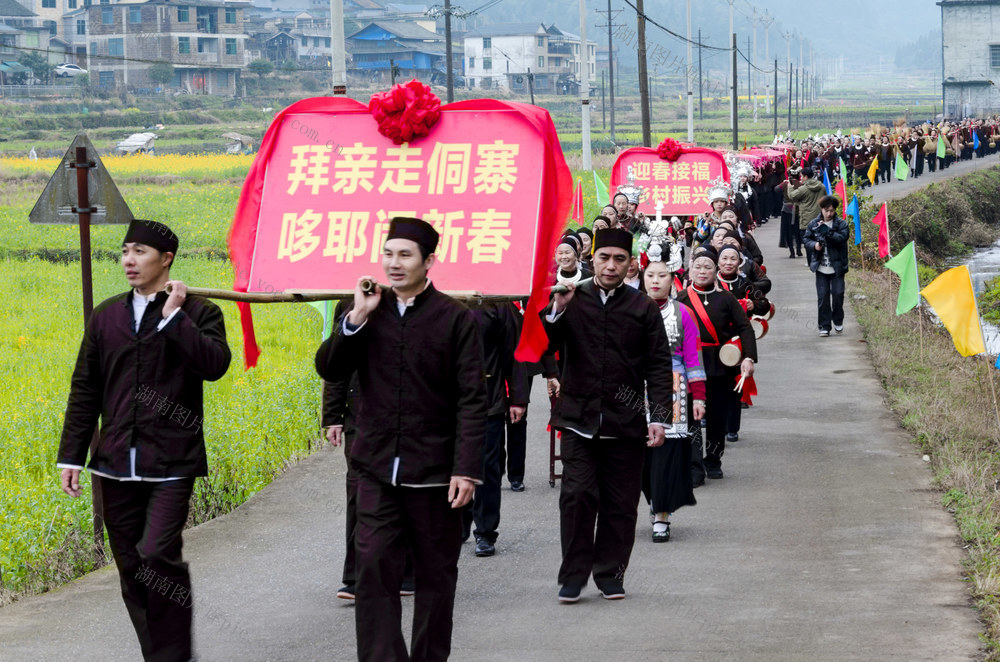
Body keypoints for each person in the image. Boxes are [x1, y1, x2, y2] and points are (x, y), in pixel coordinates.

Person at [57, 219, 231, 662]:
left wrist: (174, 317)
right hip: (114, 462)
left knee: (157, 555)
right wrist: (71, 456)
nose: (129, 261)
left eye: (140, 252)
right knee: (131, 567)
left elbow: (214, 365)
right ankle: (158, 655)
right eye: (125, 251)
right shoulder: (107, 315)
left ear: (166, 258)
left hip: (172, 461)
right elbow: (86, 388)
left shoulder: (199, 312)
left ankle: (172, 655)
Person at [315, 217, 486, 661]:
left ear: (429, 262)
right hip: (373, 467)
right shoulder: (365, 313)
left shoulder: (455, 319)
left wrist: (466, 469)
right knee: (371, 567)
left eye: (405, 255)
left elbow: (472, 399)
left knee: (435, 576)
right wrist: (355, 317)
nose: (393, 263)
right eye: (388, 253)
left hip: (433, 472)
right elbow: (330, 369)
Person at [542, 228, 673, 603]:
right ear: (592, 259)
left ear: (631, 263)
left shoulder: (642, 307)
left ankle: (611, 574)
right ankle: (573, 575)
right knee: (577, 496)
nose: (611, 265)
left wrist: (658, 417)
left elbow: (659, 364)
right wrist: (556, 311)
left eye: (619, 259)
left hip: (625, 423)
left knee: (620, 504)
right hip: (577, 419)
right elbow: (542, 346)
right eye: (604, 258)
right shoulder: (570, 298)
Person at [675, 248, 757, 481]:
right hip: (690, 365)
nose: (702, 271)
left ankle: (713, 460)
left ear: (716, 270)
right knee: (691, 416)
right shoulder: (680, 298)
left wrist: (748, 358)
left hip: (720, 364)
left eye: (708, 267)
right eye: (698, 267)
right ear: (691, 270)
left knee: (716, 416)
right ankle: (693, 466)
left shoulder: (726, 298)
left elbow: (744, 328)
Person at [640, 243, 704, 542]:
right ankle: (654, 499)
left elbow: (693, 357)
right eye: (650, 275)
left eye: (662, 275)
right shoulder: (629, 310)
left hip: (673, 388)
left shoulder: (684, 314)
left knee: (665, 452)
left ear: (673, 278)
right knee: (639, 455)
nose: (655, 281)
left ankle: (662, 514)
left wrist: (699, 395)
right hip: (634, 389)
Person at [463, 303, 529, 557]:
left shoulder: (497, 303)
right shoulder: (438, 297)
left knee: (487, 466)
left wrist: (518, 398)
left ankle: (486, 531)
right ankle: (458, 522)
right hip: (446, 401)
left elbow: (513, 351)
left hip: (487, 399)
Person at [803, 196, 850, 337]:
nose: (829, 213)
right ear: (821, 209)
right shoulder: (813, 224)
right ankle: (824, 325)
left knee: (838, 294)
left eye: (832, 211)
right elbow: (806, 239)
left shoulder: (841, 224)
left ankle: (837, 319)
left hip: (837, 267)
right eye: (826, 210)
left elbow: (842, 238)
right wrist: (815, 245)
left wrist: (827, 231)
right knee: (822, 297)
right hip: (821, 267)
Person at [787, 167, 824, 266]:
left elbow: (792, 196)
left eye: (801, 176)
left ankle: (811, 262)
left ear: (806, 177)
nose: (800, 178)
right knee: (819, 240)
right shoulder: (821, 186)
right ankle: (819, 260)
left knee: (808, 242)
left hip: (806, 219)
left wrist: (790, 187)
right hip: (819, 218)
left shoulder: (804, 189)